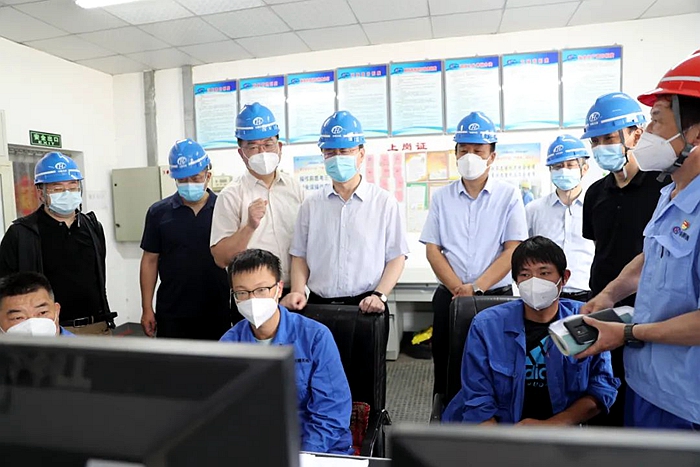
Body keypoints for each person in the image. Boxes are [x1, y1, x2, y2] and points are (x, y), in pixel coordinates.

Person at [579, 51, 700, 430]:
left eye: (657, 120)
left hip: (686, 399)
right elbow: (651, 255)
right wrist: (609, 295)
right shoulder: (671, 194)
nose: (647, 133)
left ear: (696, 134)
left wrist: (629, 332)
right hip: (647, 382)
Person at [443, 236, 618, 424]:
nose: (534, 282)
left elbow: (602, 387)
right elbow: (477, 398)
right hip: (500, 429)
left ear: (564, 278)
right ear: (516, 281)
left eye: (544, 273)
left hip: (561, 430)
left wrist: (552, 426)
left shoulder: (586, 321)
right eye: (525, 275)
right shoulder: (486, 326)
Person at [420, 111, 528, 396]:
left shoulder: (508, 195)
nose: (470, 156)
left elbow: (513, 249)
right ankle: (448, 417)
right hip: (450, 297)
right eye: (463, 150)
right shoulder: (442, 197)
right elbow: (433, 249)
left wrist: (476, 288)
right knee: (448, 368)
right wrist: (459, 289)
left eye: (478, 151)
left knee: (496, 368)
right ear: (455, 154)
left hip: (494, 298)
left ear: (492, 156)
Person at [580, 92, 670, 426]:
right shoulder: (595, 194)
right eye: (595, 141)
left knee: (643, 400)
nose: (601, 147)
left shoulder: (663, 188)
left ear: (635, 134)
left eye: (609, 138)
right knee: (604, 395)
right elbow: (600, 248)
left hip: (649, 315)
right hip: (603, 308)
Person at [282, 111, 408, 341]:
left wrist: (380, 295)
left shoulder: (383, 202)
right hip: (318, 306)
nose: (337, 157)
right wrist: (298, 291)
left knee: (365, 365)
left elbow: (397, 256)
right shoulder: (311, 204)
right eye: (330, 152)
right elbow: (299, 255)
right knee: (318, 363)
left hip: (367, 305)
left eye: (345, 151)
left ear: (361, 154)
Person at [220, 249, 353, 454]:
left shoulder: (315, 337)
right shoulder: (228, 345)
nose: (252, 299)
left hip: (316, 449)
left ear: (279, 289)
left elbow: (331, 414)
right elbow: (224, 413)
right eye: (242, 292)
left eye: (261, 289)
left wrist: (301, 457)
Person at [0, 152, 115, 336]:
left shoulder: (92, 227)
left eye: (73, 186)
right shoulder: (21, 233)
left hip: (96, 327)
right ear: (41, 193)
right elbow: (5, 289)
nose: (67, 193)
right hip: (45, 330)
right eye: (57, 188)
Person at [140, 139, 231, 340]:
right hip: (173, 311)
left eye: (195, 178)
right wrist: (146, 308)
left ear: (208, 176)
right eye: (182, 180)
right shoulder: (158, 213)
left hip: (217, 309)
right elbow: (149, 261)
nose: (189, 184)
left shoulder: (225, 209)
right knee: (174, 360)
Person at [210, 102, 304, 290]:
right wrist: (249, 226)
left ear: (279, 147)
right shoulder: (231, 195)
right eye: (253, 147)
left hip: (295, 291)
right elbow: (221, 258)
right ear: (241, 153)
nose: (262, 152)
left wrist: (299, 289)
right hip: (253, 295)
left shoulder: (295, 188)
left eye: (268, 144)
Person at [526, 135, 594, 301]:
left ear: (584, 169)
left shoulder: (595, 206)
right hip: (545, 296)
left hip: (588, 294)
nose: (564, 170)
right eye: (558, 166)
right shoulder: (534, 210)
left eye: (570, 165)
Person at [0, 272, 74, 336]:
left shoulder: (78, 347)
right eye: (18, 317)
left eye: (42, 312)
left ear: (56, 311)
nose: (32, 327)